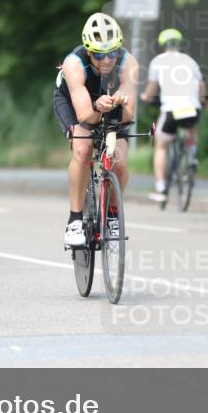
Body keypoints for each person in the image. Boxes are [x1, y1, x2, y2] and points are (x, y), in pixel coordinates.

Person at [53, 12, 138, 246]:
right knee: (83, 147)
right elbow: (85, 116)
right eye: (99, 55)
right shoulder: (74, 64)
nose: (107, 60)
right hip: (75, 101)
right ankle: (75, 220)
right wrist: (98, 107)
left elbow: (128, 117)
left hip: (110, 102)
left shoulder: (128, 64)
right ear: (89, 51)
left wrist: (122, 102)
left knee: (119, 161)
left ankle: (112, 215)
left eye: (112, 53)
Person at [141, 28, 205, 202]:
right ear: (179, 44)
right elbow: (200, 86)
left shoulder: (157, 61)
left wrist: (146, 96)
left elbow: (151, 89)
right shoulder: (190, 61)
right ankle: (191, 156)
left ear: (163, 45)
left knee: (161, 146)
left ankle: (161, 189)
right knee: (191, 128)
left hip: (171, 109)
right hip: (192, 108)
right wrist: (202, 101)